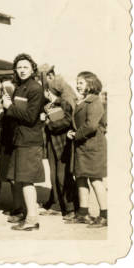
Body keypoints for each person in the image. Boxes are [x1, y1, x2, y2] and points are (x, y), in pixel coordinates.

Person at [2, 53, 46, 231]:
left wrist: (9, 108)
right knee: (19, 180)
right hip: (20, 140)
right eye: (19, 67)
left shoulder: (35, 88)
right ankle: (26, 215)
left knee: (27, 181)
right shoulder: (21, 87)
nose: (22, 70)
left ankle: (32, 220)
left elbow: (29, 117)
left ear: (32, 68)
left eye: (25, 67)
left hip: (29, 141)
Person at [65, 71, 107, 228]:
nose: (77, 85)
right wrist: (72, 132)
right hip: (83, 147)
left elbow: (91, 125)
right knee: (81, 178)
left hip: (92, 147)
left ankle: (104, 215)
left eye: (81, 83)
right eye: (77, 82)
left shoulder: (94, 101)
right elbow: (80, 123)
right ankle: (83, 213)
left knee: (96, 180)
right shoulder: (83, 101)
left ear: (90, 84)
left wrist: (76, 135)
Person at [41, 76, 79, 218]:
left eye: (48, 90)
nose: (46, 93)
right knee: (53, 176)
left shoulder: (64, 103)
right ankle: (57, 206)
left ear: (51, 91)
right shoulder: (48, 105)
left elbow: (68, 120)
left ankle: (71, 207)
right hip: (52, 143)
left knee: (63, 176)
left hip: (63, 144)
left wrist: (49, 124)